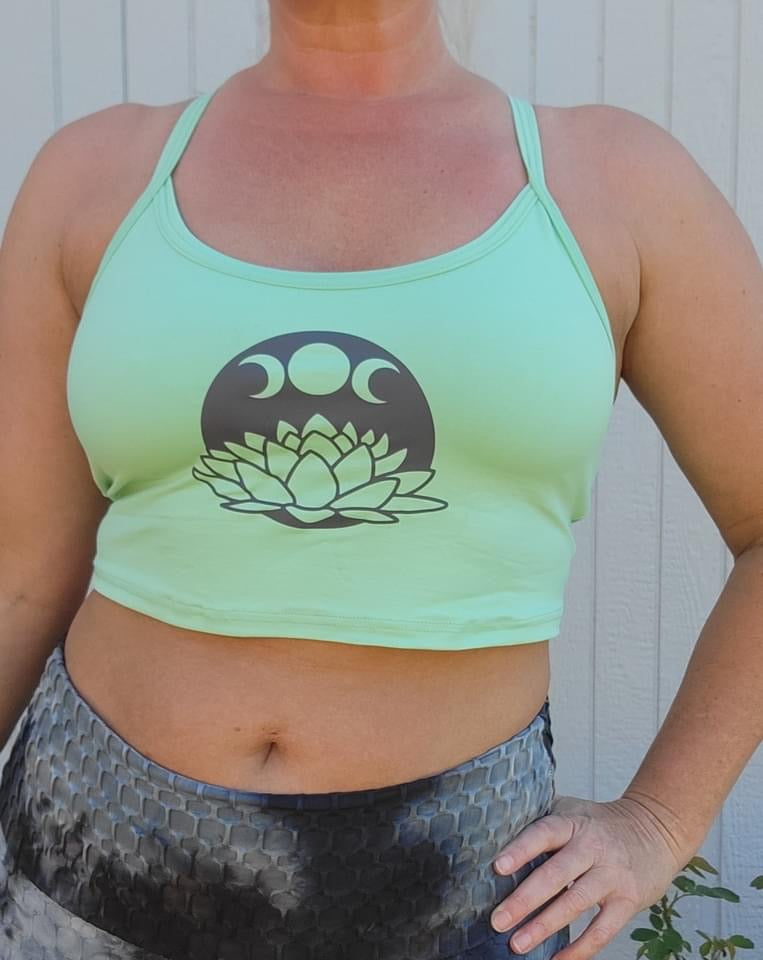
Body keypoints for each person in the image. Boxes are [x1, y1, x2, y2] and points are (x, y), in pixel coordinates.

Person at [1, 1, 762, 957]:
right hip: (85, 862)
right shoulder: (94, 174)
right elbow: (20, 570)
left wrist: (659, 819)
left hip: (451, 885)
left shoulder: (614, 182)